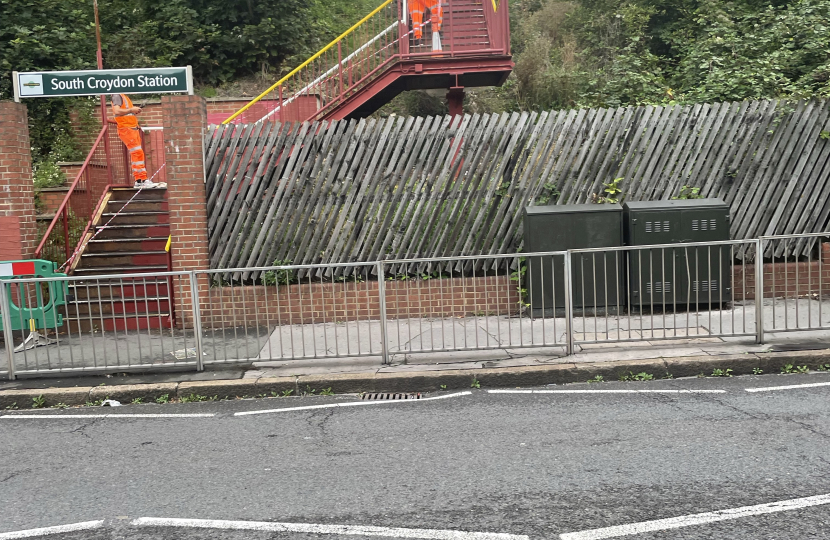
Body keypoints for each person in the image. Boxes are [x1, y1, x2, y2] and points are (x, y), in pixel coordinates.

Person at [111, 94, 163, 188]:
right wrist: (131, 110)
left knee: (137, 154)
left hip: (131, 129)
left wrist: (133, 111)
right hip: (127, 129)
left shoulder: (122, 96)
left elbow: (123, 113)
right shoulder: (117, 95)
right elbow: (117, 111)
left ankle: (139, 180)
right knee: (137, 153)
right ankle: (142, 180)